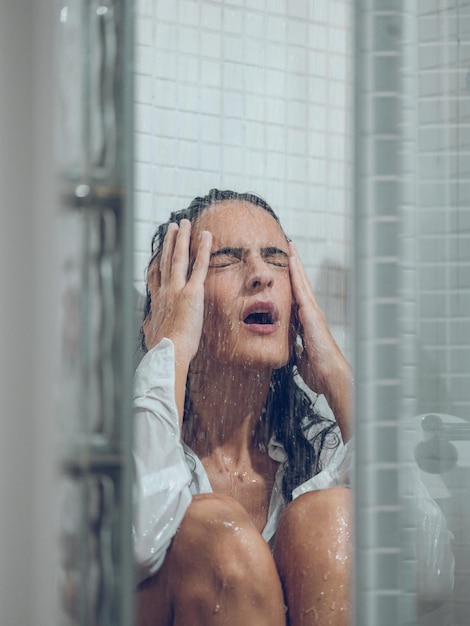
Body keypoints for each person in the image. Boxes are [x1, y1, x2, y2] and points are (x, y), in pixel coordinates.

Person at [133, 189, 353, 626]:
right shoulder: (125, 447)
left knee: (332, 516)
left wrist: (337, 374)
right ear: (176, 297)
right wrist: (171, 345)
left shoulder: (318, 456)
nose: (260, 275)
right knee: (217, 531)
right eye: (227, 258)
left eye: (275, 259)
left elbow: (429, 568)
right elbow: (135, 541)